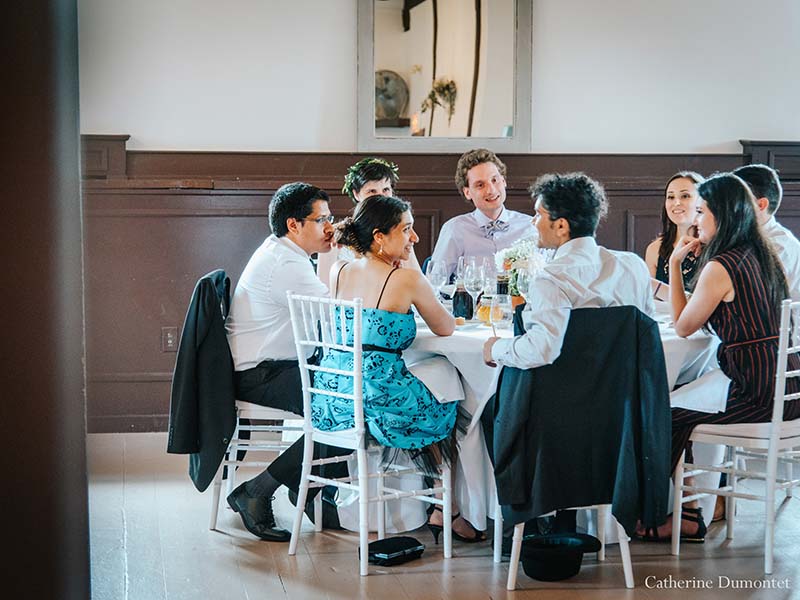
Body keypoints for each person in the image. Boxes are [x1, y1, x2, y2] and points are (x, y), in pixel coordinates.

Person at [636, 173, 800, 542]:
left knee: (662, 412)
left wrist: (676, 266)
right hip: (786, 383)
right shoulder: (763, 252)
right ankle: (693, 509)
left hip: (754, 389)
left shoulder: (721, 266)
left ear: (722, 215)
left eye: (702, 211)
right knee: (683, 398)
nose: (695, 220)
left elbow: (682, 326)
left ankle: (676, 514)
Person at [314, 194, 481, 542]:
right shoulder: (405, 280)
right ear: (379, 236)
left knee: (434, 377)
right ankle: (447, 506)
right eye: (407, 230)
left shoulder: (339, 269)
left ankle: (441, 507)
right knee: (454, 390)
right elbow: (446, 327)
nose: (414, 239)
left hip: (335, 394)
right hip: (378, 402)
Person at [224, 181, 347, 542]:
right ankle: (258, 490)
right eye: (322, 219)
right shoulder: (286, 265)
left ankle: (306, 488)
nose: (330, 227)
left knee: (348, 397)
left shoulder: (286, 254)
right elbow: (338, 318)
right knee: (348, 408)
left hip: (274, 364)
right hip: (259, 373)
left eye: (331, 218)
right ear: (294, 225)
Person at [483, 172, 654, 370]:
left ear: (561, 226)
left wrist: (495, 348)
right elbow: (647, 335)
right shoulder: (634, 265)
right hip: (627, 394)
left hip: (565, 397)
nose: (533, 222)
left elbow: (541, 350)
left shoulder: (551, 280)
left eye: (539, 214)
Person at [430, 148, 536, 279]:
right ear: (467, 192)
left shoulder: (530, 226)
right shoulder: (455, 229)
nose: (491, 190)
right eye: (480, 185)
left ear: (503, 181)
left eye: (495, 180)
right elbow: (435, 281)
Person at [316, 157, 419, 285]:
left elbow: (417, 278)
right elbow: (324, 286)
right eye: (372, 191)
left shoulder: (400, 233)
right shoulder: (336, 234)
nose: (381, 197)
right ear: (356, 194)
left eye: (386, 190)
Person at [734, 163, 800, 300]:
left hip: (782, 320)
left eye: (736, 200)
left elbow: (753, 297)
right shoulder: (745, 235)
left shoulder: (779, 245)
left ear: (760, 205)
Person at [645, 171, 704, 299]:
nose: (676, 202)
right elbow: (650, 301)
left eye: (685, 196)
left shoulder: (714, 246)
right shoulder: (654, 249)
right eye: (671, 197)